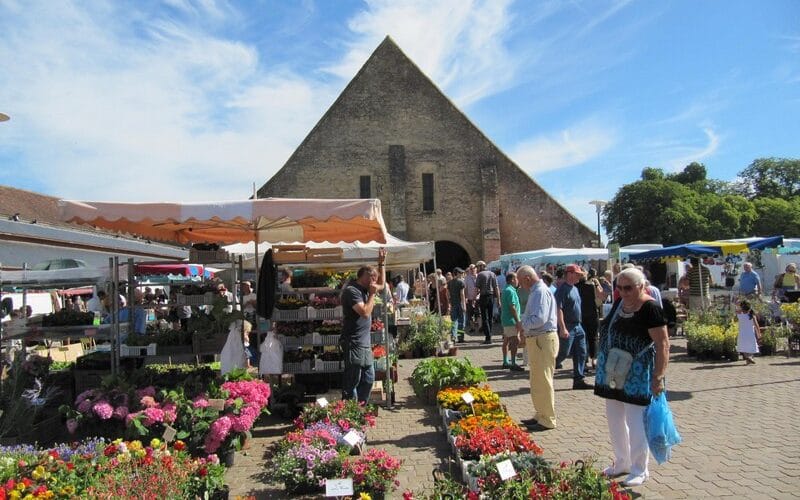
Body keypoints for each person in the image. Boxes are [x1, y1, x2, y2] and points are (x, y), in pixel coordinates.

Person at [594, 267, 669, 487]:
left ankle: (639, 468)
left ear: (641, 286)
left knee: (636, 421)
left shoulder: (651, 308)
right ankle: (622, 462)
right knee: (614, 417)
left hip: (637, 374)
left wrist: (658, 376)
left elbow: (663, 344)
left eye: (628, 288)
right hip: (613, 371)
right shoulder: (619, 303)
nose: (623, 292)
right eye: (619, 288)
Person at [516, 265, 558, 431]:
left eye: (520, 281)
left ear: (527, 278)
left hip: (542, 338)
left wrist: (522, 325)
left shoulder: (540, 292)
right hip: (537, 339)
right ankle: (540, 414)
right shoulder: (536, 291)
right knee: (537, 379)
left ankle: (547, 419)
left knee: (544, 380)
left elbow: (539, 319)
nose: (520, 285)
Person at [341, 249, 386, 403]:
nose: (375, 281)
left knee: (368, 379)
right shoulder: (352, 291)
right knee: (352, 380)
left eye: (375, 277)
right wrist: (372, 294)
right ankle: (349, 412)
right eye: (372, 277)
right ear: (363, 276)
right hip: (353, 342)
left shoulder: (366, 288)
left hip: (364, 343)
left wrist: (382, 263)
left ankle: (360, 410)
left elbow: (382, 284)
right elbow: (365, 312)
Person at [554, 264, 592, 390]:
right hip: (568, 326)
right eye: (577, 274)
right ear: (569, 274)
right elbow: (558, 309)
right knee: (563, 352)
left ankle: (578, 380)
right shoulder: (562, 290)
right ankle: (548, 367)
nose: (579, 276)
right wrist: (562, 327)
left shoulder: (575, 288)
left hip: (578, 326)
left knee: (581, 352)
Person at [577, 271, 602, 372]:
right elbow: (601, 298)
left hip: (580, 315)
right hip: (592, 314)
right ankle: (594, 359)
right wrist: (597, 284)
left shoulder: (575, 287)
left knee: (583, 338)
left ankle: (585, 360)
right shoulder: (592, 286)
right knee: (593, 338)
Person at [500, 272, 524, 371]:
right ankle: (513, 363)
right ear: (513, 280)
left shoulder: (506, 289)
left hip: (506, 319)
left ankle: (506, 361)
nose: (518, 280)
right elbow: (512, 307)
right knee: (515, 340)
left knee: (506, 340)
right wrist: (518, 321)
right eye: (517, 278)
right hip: (511, 320)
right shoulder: (510, 291)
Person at [475, 260, 501, 344]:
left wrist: (476, 298)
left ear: (481, 266)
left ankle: (488, 337)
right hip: (491, 296)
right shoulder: (492, 274)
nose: (477, 269)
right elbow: (496, 287)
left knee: (484, 317)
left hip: (483, 296)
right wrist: (498, 300)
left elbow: (477, 288)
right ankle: (490, 335)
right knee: (490, 317)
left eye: (478, 267)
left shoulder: (480, 275)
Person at [736, 300, 760, 365]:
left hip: (742, 333)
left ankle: (747, 358)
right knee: (751, 346)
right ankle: (749, 358)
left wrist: (739, 304)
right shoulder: (751, 316)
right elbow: (756, 325)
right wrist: (758, 333)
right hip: (750, 334)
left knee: (743, 346)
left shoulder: (739, 315)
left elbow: (737, 309)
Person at [448, 268, 466, 343]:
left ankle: (453, 336)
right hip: (459, 303)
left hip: (453, 303)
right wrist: (464, 305)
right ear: (457, 273)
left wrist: (449, 303)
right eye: (460, 273)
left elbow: (448, 294)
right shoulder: (461, 282)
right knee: (461, 321)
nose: (462, 274)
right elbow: (462, 294)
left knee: (453, 321)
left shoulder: (449, 283)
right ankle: (460, 337)